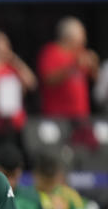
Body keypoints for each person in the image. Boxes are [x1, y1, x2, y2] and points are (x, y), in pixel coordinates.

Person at [37, 17, 100, 147]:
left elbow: (96, 80)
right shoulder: (51, 52)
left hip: (81, 116)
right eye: (82, 35)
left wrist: (94, 65)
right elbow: (48, 80)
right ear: (69, 36)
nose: (85, 40)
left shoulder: (81, 53)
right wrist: (72, 66)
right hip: (57, 115)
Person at [0, 31, 37, 155]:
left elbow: (31, 83)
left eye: (6, 44)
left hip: (16, 122)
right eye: (0, 44)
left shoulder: (12, 66)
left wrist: (15, 60)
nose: (4, 47)